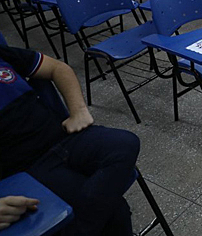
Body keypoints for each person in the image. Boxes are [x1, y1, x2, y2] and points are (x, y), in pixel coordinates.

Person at [0, 43, 140, 235]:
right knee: (116, 212)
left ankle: (79, 229)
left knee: (125, 143)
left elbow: (58, 68)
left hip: (63, 138)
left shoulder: (3, 53)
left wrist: (78, 111)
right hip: (29, 166)